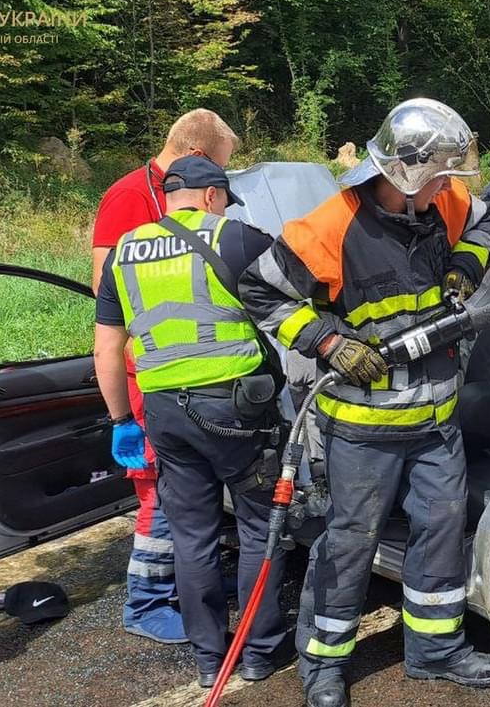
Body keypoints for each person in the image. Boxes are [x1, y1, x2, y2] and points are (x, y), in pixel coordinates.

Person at [238, 98, 490, 707]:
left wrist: (464, 267)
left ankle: (435, 651)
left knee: (440, 533)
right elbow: (259, 289)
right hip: (361, 429)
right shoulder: (332, 226)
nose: (447, 189)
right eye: (438, 177)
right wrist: (328, 342)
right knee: (349, 543)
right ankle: (323, 664)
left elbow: (486, 223)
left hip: (437, 424)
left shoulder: (446, 203)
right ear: (405, 172)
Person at [93, 156, 288, 686]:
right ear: (210, 196)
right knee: (259, 527)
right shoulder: (237, 237)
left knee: (192, 536)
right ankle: (259, 652)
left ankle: (208, 660)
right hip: (235, 409)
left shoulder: (123, 253)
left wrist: (120, 420)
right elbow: (299, 298)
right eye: (223, 201)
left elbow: (107, 349)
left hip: (164, 414)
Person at [90, 109, 239, 645]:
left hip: (186, 370)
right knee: (160, 489)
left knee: (189, 492)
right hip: (153, 370)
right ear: (197, 156)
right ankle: (147, 600)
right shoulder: (130, 196)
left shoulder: (164, 194)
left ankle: (187, 581)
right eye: (222, 167)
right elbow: (106, 290)